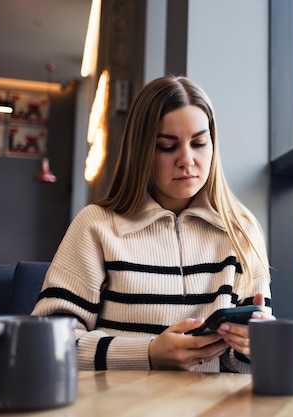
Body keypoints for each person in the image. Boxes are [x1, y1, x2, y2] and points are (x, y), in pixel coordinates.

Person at [32, 75, 273, 373]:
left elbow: (244, 371)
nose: (188, 160)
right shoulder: (95, 225)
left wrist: (255, 347)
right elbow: (44, 343)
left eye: (199, 143)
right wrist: (146, 353)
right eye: (167, 146)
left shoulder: (241, 230)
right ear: (141, 150)